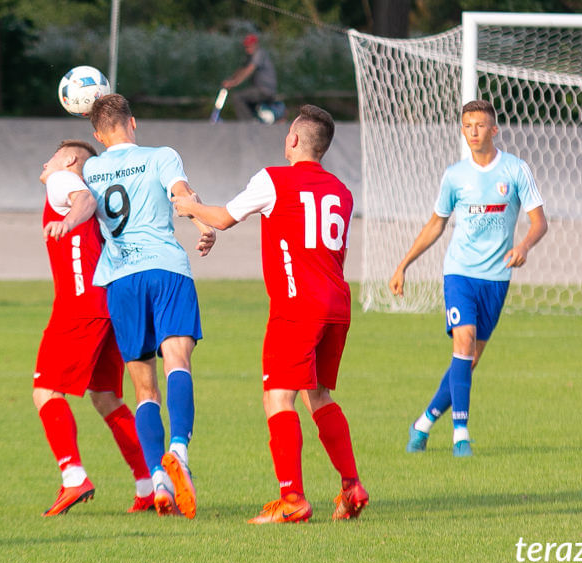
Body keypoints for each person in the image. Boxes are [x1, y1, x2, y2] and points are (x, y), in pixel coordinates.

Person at [172, 104, 369, 523]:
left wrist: (190, 207)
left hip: (298, 306)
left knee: (277, 396)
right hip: (336, 303)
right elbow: (340, 253)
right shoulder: (341, 191)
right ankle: (351, 487)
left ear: (293, 140)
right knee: (319, 395)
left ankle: (292, 498)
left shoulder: (274, 179)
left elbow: (223, 218)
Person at [78, 94, 216, 518]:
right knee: (178, 361)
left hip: (121, 278)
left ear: (98, 135)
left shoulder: (92, 167)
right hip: (166, 270)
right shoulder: (161, 156)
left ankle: (158, 476)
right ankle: (180, 452)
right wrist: (201, 222)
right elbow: (181, 194)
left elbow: (78, 196)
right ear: (132, 123)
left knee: (143, 389)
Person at [389, 99, 547, 457]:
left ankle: (424, 423)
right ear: (462, 131)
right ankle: (461, 434)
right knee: (463, 343)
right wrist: (404, 265)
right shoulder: (455, 176)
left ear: (494, 130)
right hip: (459, 271)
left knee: (469, 360)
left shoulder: (516, 170)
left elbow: (540, 222)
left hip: (496, 278)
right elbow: (436, 224)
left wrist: (524, 245)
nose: (473, 132)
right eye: (467, 126)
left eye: (480, 126)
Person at [34, 139, 154, 516]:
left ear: (69, 160)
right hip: (108, 304)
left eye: (53, 154)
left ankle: (73, 477)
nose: (46, 160)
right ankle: (150, 486)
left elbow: (81, 201)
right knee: (107, 399)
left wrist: (67, 220)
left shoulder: (62, 182)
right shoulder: (99, 197)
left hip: (79, 306)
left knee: (46, 391)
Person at [221, 33, 278, 121]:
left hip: (265, 90)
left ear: (256, 45)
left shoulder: (259, 53)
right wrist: (231, 78)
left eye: (250, 46)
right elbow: (242, 69)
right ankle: (254, 121)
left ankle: (248, 125)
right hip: (259, 89)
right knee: (246, 99)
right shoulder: (249, 57)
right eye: (246, 47)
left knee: (237, 97)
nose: (248, 49)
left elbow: (249, 70)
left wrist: (234, 83)